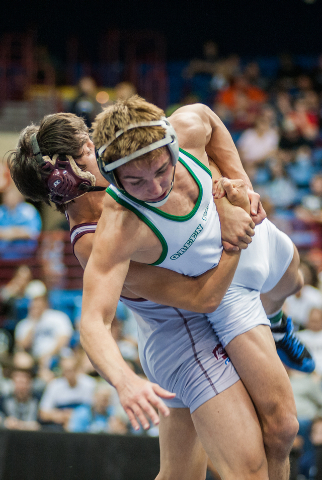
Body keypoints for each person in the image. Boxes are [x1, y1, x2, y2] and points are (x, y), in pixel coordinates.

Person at [8, 105, 311, 480]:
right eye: (87, 150)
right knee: (253, 464)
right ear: (61, 183)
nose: (99, 149)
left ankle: (276, 318)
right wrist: (124, 379)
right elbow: (198, 298)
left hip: (216, 277)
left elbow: (204, 123)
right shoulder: (101, 235)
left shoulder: (137, 158)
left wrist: (237, 191)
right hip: (183, 325)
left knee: (179, 474)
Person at [15, 291, 74, 367]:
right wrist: (34, 323)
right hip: (34, 357)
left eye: (39, 302)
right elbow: (22, 346)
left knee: (68, 362)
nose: (37, 305)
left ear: (46, 304)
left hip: (57, 355)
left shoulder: (59, 317)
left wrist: (49, 355)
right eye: (34, 303)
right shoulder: (24, 324)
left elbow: (64, 339)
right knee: (21, 359)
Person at [39, 355, 96, 430]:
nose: (69, 374)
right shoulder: (54, 386)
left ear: (77, 370)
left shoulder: (89, 384)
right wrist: (60, 416)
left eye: (72, 370)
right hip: (59, 428)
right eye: (66, 371)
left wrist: (75, 416)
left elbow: (94, 410)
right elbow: (43, 413)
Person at [0, 184, 41, 260]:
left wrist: (9, 234)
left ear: (20, 197)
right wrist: (17, 232)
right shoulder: (1, 211)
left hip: (25, 257)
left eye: (13, 195)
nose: (11, 197)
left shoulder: (29, 210)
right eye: (8, 195)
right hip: (3, 257)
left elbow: (33, 233)